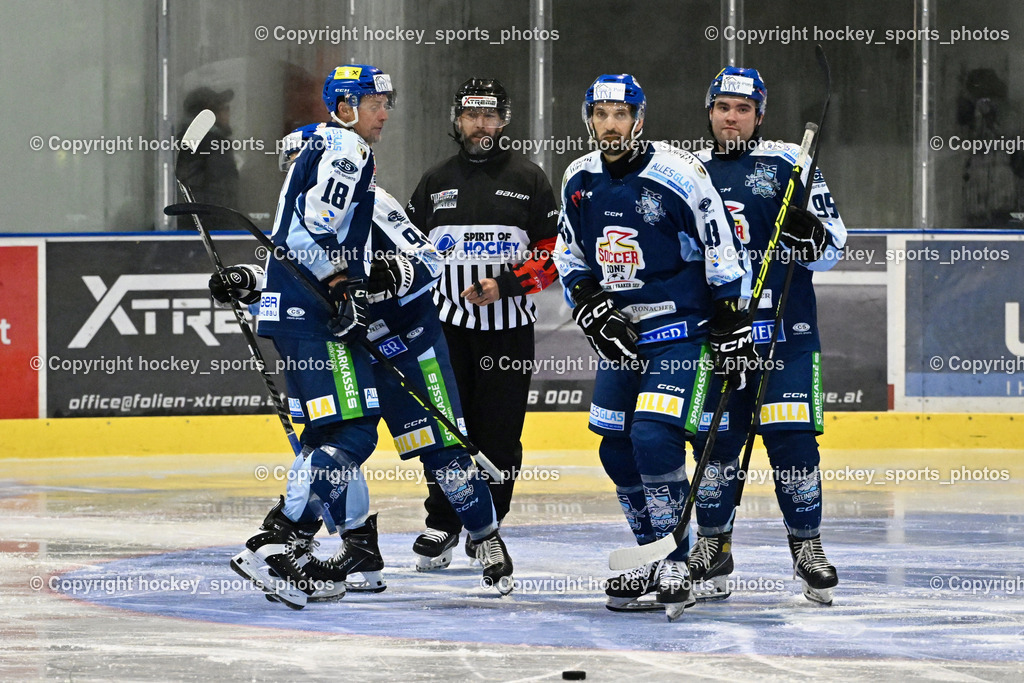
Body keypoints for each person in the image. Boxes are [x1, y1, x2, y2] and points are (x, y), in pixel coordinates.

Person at [219, 64, 513, 609]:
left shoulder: (372, 202)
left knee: (442, 454)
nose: (299, 173)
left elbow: (426, 262)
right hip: (348, 337)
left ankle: (484, 533)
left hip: (406, 339)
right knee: (336, 442)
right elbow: (301, 261)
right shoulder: (334, 177)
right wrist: (251, 281)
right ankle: (354, 548)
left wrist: (384, 276)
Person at [555, 73, 752, 619]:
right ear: (589, 118)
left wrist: (731, 314)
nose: (610, 125)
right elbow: (570, 257)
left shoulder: (679, 173)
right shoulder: (579, 178)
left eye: (621, 115)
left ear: (639, 119)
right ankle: (650, 549)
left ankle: (676, 558)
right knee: (614, 447)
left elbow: (721, 245)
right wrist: (590, 305)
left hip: (678, 331)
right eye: (601, 114)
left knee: (653, 435)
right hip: (622, 338)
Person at [690, 66, 847, 605]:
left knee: (794, 443)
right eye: (722, 108)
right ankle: (713, 544)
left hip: (787, 335)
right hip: (719, 335)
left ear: (759, 115)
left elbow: (833, 248)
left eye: (742, 109)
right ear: (709, 111)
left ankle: (807, 547)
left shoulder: (791, 163)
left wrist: (811, 237)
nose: (731, 118)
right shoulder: (686, 171)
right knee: (717, 449)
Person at [405, 79, 559, 571]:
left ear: (504, 120)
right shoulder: (434, 181)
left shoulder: (529, 179)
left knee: (499, 431)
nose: (480, 125)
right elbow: (408, 251)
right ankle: (443, 521)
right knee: (447, 428)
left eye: (490, 116)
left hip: (508, 329)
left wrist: (507, 285)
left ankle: (488, 524)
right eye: (471, 115)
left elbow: (555, 255)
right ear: (457, 119)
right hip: (445, 331)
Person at [177, 86, 239, 228]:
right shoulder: (214, 145)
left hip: (190, 225)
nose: (227, 113)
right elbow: (223, 195)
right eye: (223, 108)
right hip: (213, 228)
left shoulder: (184, 141)